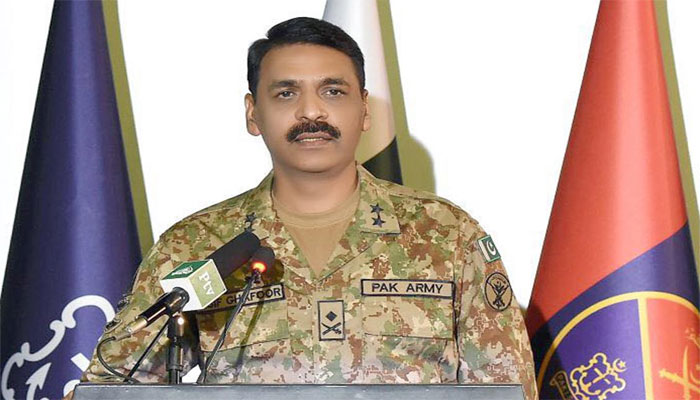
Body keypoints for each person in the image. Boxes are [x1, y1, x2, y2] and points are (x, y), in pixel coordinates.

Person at [81, 17, 537, 399]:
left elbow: (506, 388)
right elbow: (112, 386)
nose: (311, 112)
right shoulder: (196, 244)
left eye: (333, 91)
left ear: (364, 109)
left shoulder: (448, 236)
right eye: (286, 93)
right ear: (252, 113)